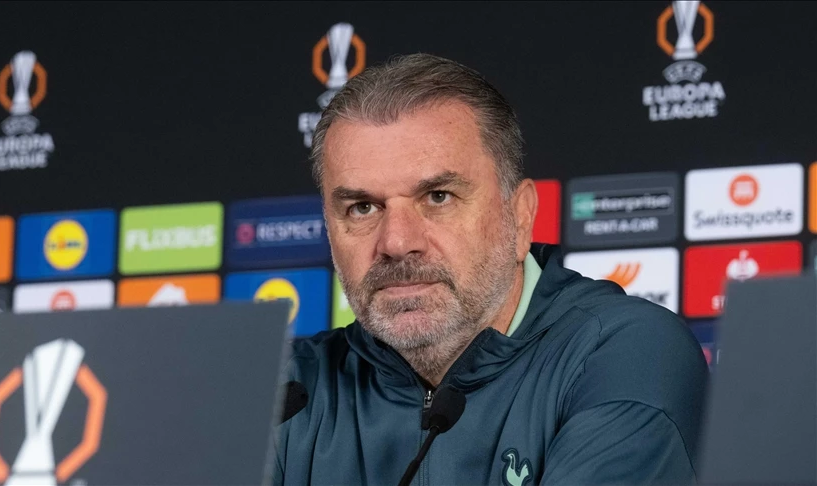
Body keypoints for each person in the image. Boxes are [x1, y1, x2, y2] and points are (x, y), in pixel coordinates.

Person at [272, 53, 707, 485]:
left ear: (520, 217)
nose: (397, 243)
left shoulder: (626, 353)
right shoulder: (287, 389)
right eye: (362, 207)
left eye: (438, 197)